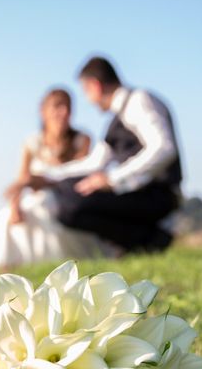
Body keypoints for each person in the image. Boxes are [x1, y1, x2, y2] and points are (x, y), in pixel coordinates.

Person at [0, 88, 112, 274]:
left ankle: (57, 262)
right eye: (57, 106)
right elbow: (21, 180)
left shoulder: (82, 140)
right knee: (5, 216)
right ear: (44, 111)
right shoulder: (32, 142)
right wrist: (15, 206)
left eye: (68, 107)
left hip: (64, 200)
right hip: (33, 199)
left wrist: (42, 180)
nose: (63, 112)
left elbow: (78, 177)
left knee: (44, 205)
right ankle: (8, 264)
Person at [31, 56, 183, 253]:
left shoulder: (140, 101)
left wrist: (112, 179)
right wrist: (50, 176)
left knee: (71, 205)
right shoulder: (116, 120)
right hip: (135, 192)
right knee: (66, 189)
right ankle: (141, 241)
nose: (88, 100)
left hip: (158, 194)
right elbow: (95, 163)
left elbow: (164, 148)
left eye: (85, 91)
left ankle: (147, 239)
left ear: (95, 86)